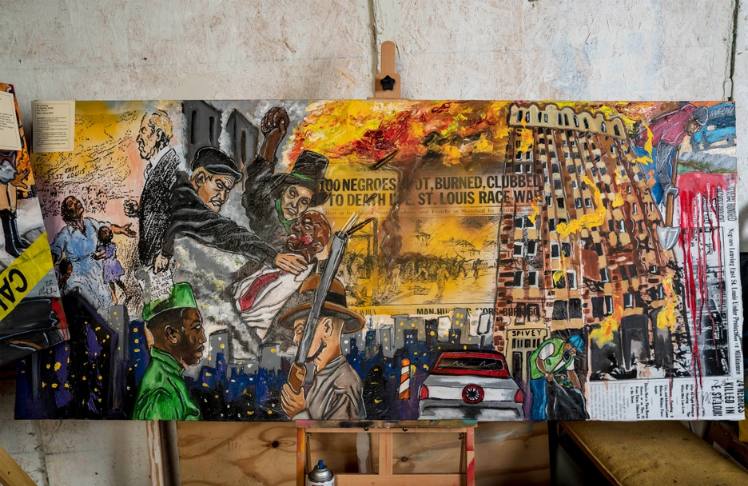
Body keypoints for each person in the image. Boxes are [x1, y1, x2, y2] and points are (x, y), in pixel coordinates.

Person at [153, 147, 306, 276]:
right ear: (200, 179)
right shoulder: (185, 202)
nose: (223, 197)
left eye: (227, 190)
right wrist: (273, 256)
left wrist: (166, 252)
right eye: (219, 186)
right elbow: (230, 234)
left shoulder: (179, 192)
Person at [232, 210, 331, 361]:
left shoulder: (311, 293)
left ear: (317, 247)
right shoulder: (266, 256)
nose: (295, 227)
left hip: (249, 353)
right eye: (297, 223)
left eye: (307, 227)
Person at [242, 106, 331, 253]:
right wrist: (272, 141)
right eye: (292, 194)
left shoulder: (299, 230)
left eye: (304, 202)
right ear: (282, 191)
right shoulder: (264, 209)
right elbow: (256, 186)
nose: (294, 205)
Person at [279, 275, 366, 420]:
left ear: (327, 328)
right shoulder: (323, 376)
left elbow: (337, 434)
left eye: (301, 330)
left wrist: (299, 413)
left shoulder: (343, 384)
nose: (295, 339)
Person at [132, 282, 206, 420]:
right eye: (196, 327)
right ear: (171, 334)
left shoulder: (169, 378)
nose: (203, 338)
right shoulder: (161, 396)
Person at [50, 196, 135, 312]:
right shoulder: (65, 234)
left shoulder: (90, 223)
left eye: (76, 201)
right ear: (67, 213)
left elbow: (107, 227)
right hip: (78, 277)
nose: (77, 203)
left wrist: (121, 230)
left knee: (106, 303)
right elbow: (54, 252)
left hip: (98, 272)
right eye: (71, 204)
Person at [124, 110, 181, 267]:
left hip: (160, 260)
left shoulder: (172, 165)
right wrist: (139, 210)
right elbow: (161, 209)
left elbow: (178, 214)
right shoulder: (156, 166)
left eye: (143, 131)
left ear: (158, 135)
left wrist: (166, 253)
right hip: (151, 258)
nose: (138, 139)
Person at [528, 334, 585, 420]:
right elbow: (539, 360)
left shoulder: (569, 357)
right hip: (537, 371)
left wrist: (578, 389)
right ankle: (538, 421)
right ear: (568, 345)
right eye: (575, 349)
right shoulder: (553, 345)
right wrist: (546, 373)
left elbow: (571, 372)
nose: (575, 352)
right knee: (541, 398)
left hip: (549, 374)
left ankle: (546, 419)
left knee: (550, 399)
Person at [95, 225, 127, 305]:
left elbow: (106, 254)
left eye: (106, 233)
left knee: (117, 281)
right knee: (111, 283)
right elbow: (98, 251)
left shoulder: (112, 245)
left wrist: (98, 257)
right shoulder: (102, 246)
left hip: (113, 266)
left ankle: (126, 292)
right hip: (108, 267)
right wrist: (97, 254)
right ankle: (114, 297)